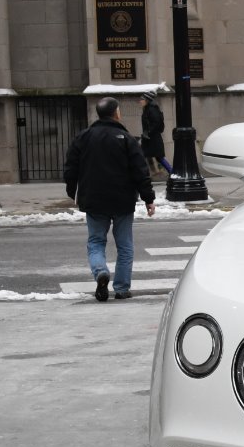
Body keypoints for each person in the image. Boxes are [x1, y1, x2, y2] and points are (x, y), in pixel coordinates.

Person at [64, 97, 154, 301]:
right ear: (116, 113)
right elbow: (140, 171)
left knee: (96, 241)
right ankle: (121, 288)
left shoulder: (83, 137)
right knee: (125, 246)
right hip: (123, 200)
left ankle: (100, 271)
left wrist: (73, 192)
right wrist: (148, 198)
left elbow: (70, 168)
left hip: (94, 199)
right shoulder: (126, 138)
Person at [138, 91, 172, 175]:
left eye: (142, 99)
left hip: (153, 138)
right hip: (148, 138)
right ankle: (148, 174)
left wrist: (148, 132)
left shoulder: (152, 109)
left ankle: (171, 172)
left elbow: (156, 123)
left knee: (158, 157)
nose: (140, 101)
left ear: (147, 100)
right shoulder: (147, 109)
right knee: (144, 156)